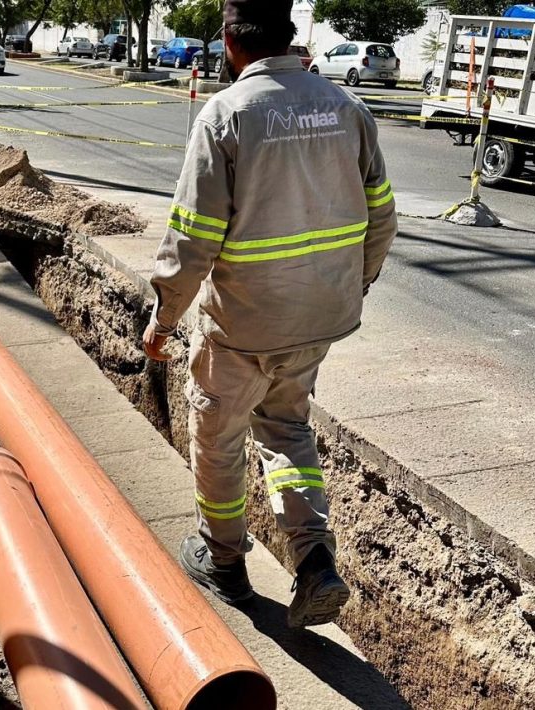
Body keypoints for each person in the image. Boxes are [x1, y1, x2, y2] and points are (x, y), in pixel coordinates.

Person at [142, 0, 396, 628]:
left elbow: (193, 236)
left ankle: (223, 559)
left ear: (230, 43)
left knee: (219, 439)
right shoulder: (346, 107)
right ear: (290, 37)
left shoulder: (227, 114)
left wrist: (164, 317)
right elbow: (382, 216)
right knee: (286, 431)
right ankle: (313, 557)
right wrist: (353, 285)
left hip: (244, 327)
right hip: (319, 322)